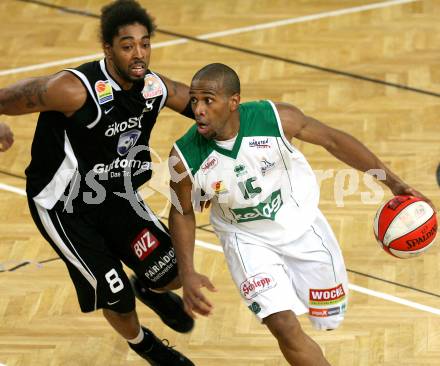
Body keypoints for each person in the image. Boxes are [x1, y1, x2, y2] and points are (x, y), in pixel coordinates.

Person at [168, 63, 434, 366]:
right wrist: (187, 271)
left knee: (330, 320)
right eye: (194, 100)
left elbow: (333, 140)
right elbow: (181, 211)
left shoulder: (277, 119)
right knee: (283, 325)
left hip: (301, 225)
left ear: (233, 102)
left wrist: (395, 183)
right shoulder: (184, 157)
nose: (198, 109)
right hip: (245, 239)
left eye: (208, 100)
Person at [0, 1, 196, 365]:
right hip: (65, 207)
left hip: (116, 195)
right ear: (108, 48)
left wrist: (250, 126)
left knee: (173, 274)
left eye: (145, 43)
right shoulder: (73, 89)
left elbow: (204, 107)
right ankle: (147, 345)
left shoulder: (154, 87)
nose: (139, 54)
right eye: (127, 45)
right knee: (116, 298)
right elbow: (8, 97)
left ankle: (149, 288)